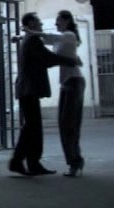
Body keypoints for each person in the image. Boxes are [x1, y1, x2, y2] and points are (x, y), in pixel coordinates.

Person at [8, 12, 80, 176]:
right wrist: (71, 61)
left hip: (28, 88)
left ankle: (30, 162)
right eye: (38, 22)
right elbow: (46, 58)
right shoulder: (32, 40)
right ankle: (20, 161)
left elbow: (46, 51)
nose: (41, 24)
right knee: (32, 127)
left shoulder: (30, 38)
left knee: (32, 127)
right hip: (28, 88)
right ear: (31, 24)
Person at [25, 10, 86, 177]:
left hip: (74, 81)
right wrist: (22, 37)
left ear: (67, 21)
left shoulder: (69, 35)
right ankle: (75, 161)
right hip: (66, 83)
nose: (56, 23)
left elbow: (50, 37)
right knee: (65, 124)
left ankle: (75, 162)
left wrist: (31, 31)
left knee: (69, 125)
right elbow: (45, 41)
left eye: (58, 20)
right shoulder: (63, 39)